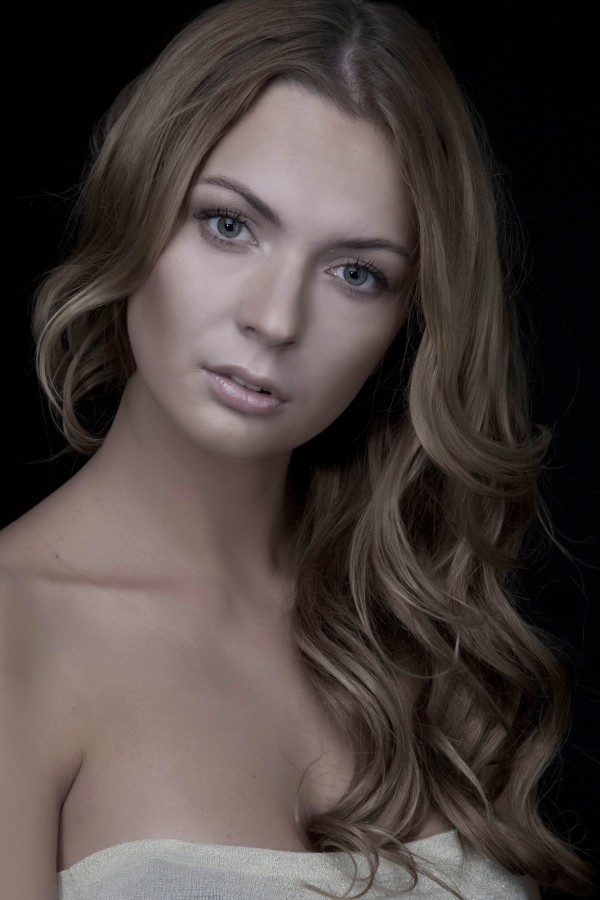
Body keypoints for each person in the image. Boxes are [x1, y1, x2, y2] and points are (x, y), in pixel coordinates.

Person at [0, 0, 595, 897]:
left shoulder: (421, 630)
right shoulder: (16, 639)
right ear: (139, 205)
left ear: (407, 324)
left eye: (357, 273)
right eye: (229, 225)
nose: (276, 319)